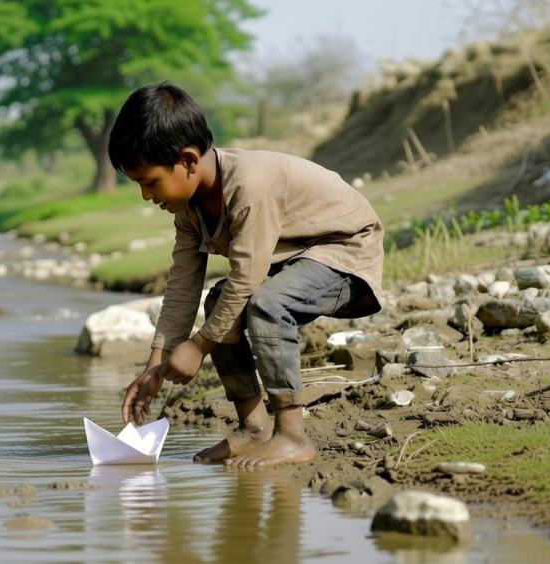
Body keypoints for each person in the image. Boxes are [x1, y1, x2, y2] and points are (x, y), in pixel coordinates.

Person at [110, 82, 384, 467]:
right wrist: (156, 364)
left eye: (149, 182)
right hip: (297, 256)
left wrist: (199, 346)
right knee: (219, 301)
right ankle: (253, 427)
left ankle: (292, 435)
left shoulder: (250, 187)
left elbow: (247, 278)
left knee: (266, 305)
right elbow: (183, 285)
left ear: (188, 160)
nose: (145, 195)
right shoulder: (189, 207)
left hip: (345, 252)